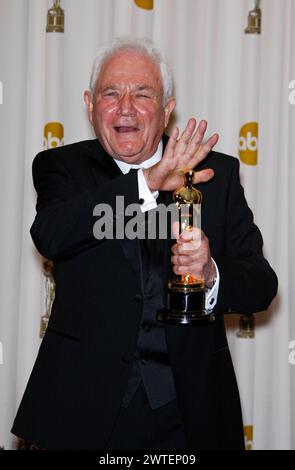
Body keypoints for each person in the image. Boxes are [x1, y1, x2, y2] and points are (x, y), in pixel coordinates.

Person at [12, 37, 278, 450]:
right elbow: (50, 234)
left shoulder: (217, 174)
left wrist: (210, 273)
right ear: (89, 103)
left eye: (142, 94)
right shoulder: (60, 168)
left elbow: (261, 284)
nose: (125, 108)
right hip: (82, 411)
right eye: (111, 93)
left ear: (168, 109)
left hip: (192, 415)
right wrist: (147, 182)